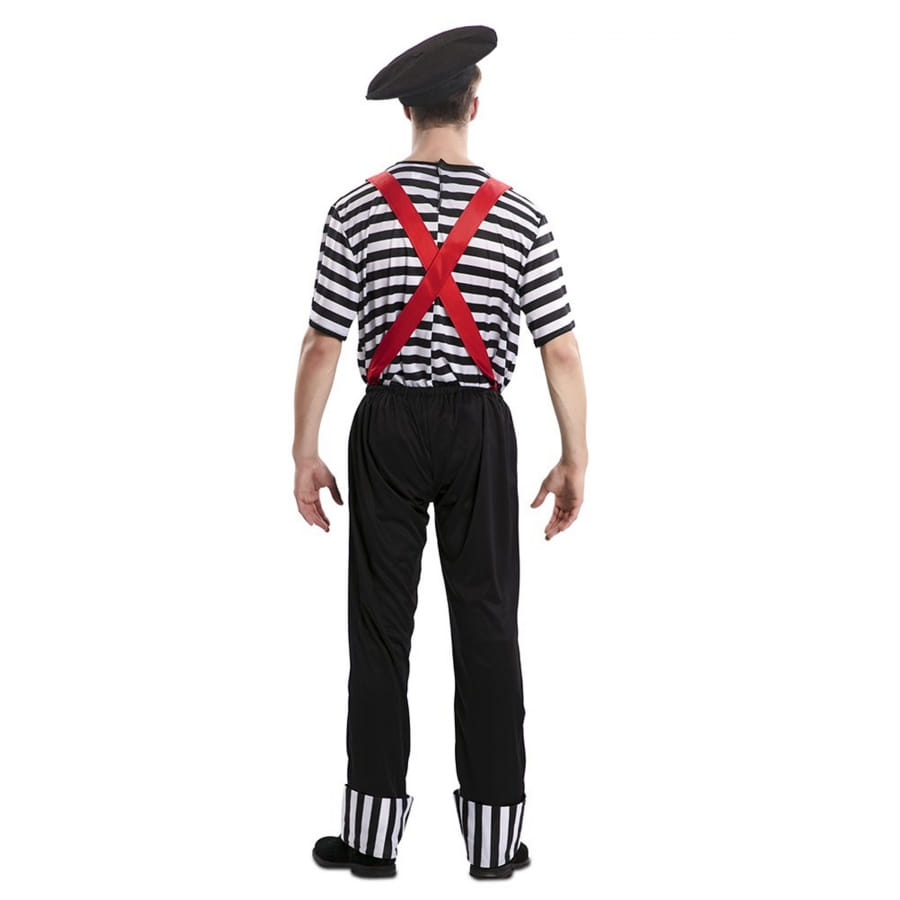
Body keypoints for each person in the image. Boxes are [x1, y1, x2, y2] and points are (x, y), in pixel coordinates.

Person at [293, 24, 588, 879]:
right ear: (473, 106)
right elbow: (560, 350)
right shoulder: (522, 216)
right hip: (481, 427)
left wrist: (304, 451)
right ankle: (494, 844)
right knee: (488, 626)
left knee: (379, 631)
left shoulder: (353, 210)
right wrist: (575, 458)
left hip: (387, 424)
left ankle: (371, 838)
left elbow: (321, 344)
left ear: (407, 113)